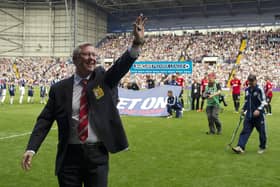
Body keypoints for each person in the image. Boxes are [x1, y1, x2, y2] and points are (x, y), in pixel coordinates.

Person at [21, 15, 147, 187]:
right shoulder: (59, 89)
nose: (92, 58)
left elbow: (120, 66)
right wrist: (31, 148)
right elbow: (45, 120)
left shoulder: (103, 80)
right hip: (69, 158)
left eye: (94, 55)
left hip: (97, 156)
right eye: (87, 54)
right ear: (75, 59)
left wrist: (137, 43)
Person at [232, 74, 267, 154]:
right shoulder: (247, 90)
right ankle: (240, 147)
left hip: (259, 116)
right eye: (249, 81)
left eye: (252, 81)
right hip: (249, 115)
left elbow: (264, 102)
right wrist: (243, 109)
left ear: (255, 80)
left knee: (261, 132)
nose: (250, 83)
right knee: (245, 131)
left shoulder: (259, 89)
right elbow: (246, 101)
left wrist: (258, 110)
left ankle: (262, 146)